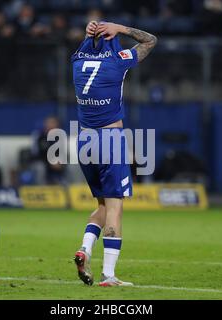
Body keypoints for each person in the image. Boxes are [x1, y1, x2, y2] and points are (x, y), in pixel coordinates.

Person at [71, 21, 157, 286]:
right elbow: (150, 40)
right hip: (109, 139)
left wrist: (90, 35)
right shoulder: (118, 61)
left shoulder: (76, 62)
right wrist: (120, 28)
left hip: (84, 139)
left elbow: (84, 49)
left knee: (102, 204)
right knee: (115, 207)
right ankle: (109, 274)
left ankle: (85, 248)